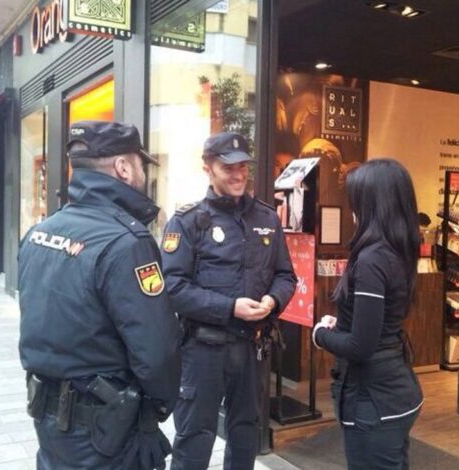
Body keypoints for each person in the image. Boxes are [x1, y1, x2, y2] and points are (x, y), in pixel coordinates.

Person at [18, 121, 182, 469]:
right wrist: (158, 408)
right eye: (139, 164)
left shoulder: (39, 233)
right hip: (106, 431)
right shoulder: (126, 243)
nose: (143, 174)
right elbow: (156, 350)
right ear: (123, 168)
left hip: (49, 421)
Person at [161, 132, 297, 470]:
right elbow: (173, 288)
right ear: (207, 168)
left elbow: (286, 275)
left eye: (243, 167)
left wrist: (273, 300)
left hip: (252, 350)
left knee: (245, 435)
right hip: (203, 351)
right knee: (195, 438)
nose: (238, 175)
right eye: (228, 167)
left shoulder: (266, 218)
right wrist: (229, 307)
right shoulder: (187, 221)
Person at [312, 158, 424, 470]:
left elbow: (360, 347)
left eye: (356, 201)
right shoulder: (398, 250)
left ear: (373, 204)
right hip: (397, 391)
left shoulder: (372, 260)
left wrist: (321, 334)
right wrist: (344, 324)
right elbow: (378, 323)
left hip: (374, 400)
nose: (352, 210)